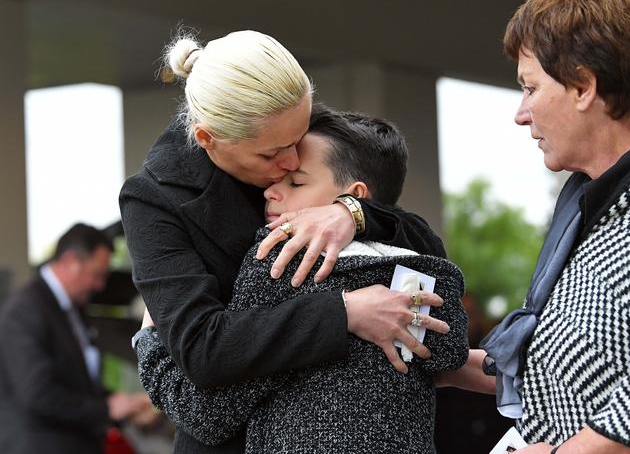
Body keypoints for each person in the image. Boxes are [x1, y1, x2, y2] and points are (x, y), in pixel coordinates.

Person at [119, 30, 449, 453]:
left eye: (298, 141)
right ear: (208, 139)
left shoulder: (287, 124)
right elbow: (203, 350)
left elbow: (426, 252)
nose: (292, 161)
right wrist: (343, 312)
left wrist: (352, 213)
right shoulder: (154, 198)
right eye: (272, 155)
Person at [441, 0, 630, 454]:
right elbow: (577, 371)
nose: (520, 113)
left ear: (583, 88)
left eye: (530, 88)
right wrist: (437, 366)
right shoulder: (591, 207)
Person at [0, 223, 151, 454]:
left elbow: (76, 381)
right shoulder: (24, 311)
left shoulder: (72, 307)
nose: (100, 285)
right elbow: (38, 393)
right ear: (71, 261)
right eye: (97, 274)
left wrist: (122, 405)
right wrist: (106, 409)